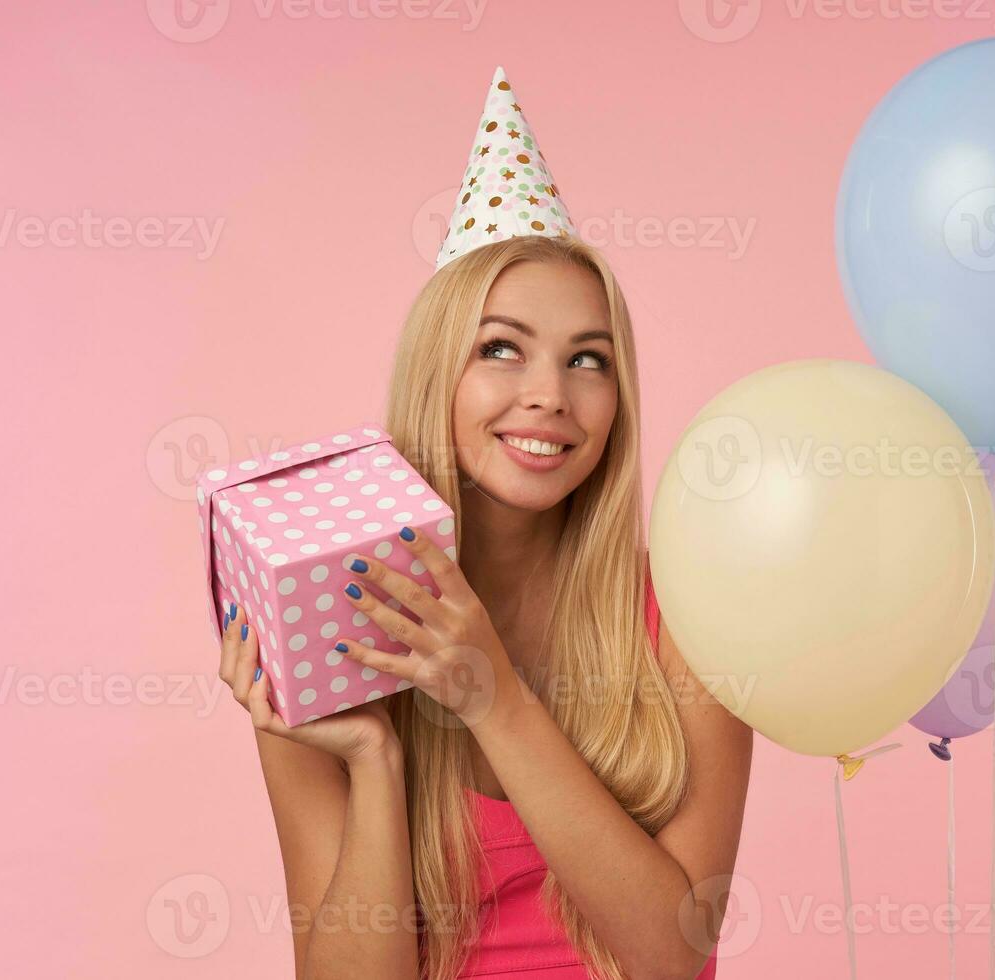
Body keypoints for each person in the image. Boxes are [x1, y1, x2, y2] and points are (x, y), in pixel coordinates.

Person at [215, 67, 753, 980]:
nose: (549, 395)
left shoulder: (692, 613)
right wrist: (374, 759)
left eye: (590, 360)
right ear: (439, 373)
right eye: (501, 348)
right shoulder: (319, 623)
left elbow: (674, 957)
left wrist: (492, 697)